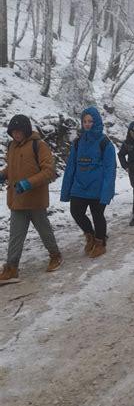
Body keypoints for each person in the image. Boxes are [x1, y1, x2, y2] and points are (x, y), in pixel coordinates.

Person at [0, 115, 62, 285]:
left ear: (26, 130)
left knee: (44, 231)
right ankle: (12, 268)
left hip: (35, 200)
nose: (16, 134)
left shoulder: (39, 145)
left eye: (19, 131)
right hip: (17, 200)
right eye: (13, 131)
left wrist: (29, 183)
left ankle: (55, 255)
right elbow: (11, 167)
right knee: (15, 235)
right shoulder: (12, 146)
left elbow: (49, 170)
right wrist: (3, 174)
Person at [61, 107, 116, 257]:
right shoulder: (78, 143)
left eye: (90, 121)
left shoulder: (105, 143)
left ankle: (100, 242)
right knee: (76, 212)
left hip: (97, 188)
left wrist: (107, 191)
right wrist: (66, 190)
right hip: (79, 186)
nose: (87, 124)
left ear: (96, 121)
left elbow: (110, 170)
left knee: (97, 215)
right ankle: (90, 235)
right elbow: (71, 167)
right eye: (84, 121)